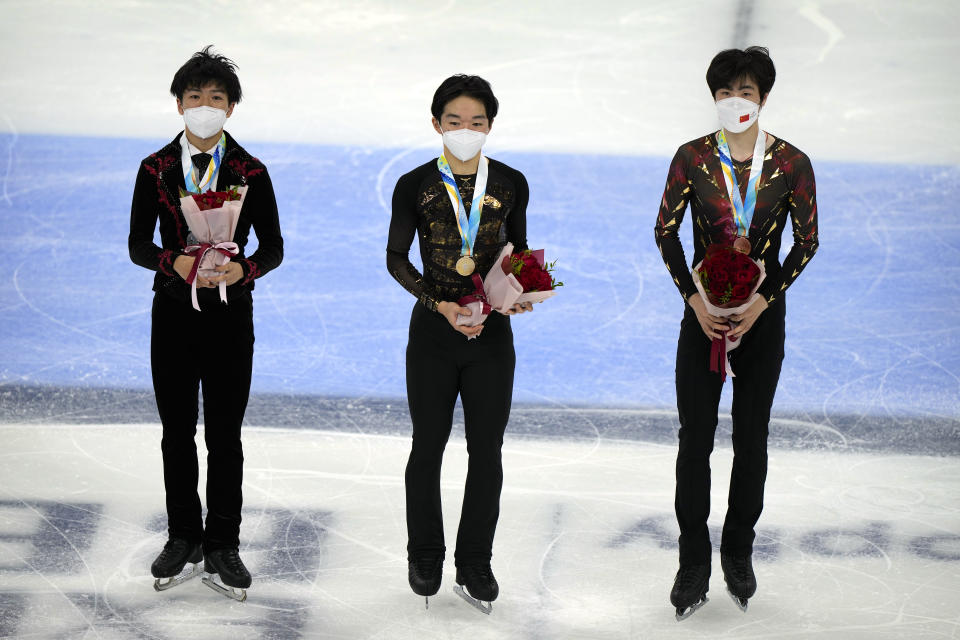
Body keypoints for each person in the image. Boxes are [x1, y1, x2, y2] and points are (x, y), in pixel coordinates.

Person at [653, 46, 818, 620]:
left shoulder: (793, 163)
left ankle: (739, 551)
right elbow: (666, 235)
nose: (735, 101)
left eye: (746, 92)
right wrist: (696, 303)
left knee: (751, 435)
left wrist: (763, 303)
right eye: (726, 92)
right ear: (714, 97)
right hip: (702, 318)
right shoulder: (692, 158)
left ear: (764, 97)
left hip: (761, 321)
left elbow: (808, 242)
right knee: (694, 436)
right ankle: (693, 558)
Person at [128, 45, 283, 601]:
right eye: (195, 97)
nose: (205, 106)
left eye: (216, 98)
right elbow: (137, 246)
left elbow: (275, 249)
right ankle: (182, 537)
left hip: (229, 317)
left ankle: (223, 544)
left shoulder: (250, 171)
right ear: (178, 105)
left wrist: (241, 269)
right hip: (172, 314)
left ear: (231, 108)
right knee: (176, 432)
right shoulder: (155, 169)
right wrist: (176, 261)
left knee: (225, 435)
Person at [386, 74, 534, 613]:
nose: (465, 130)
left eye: (476, 122)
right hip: (433, 332)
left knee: (486, 451)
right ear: (436, 124)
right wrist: (440, 305)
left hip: (491, 335)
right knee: (427, 446)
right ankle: (424, 553)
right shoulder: (415, 184)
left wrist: (516, 294)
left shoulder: (512, 182)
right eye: (454, 122)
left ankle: (475, 561)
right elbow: (397, 258)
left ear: (490, 126)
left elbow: (514, 250)